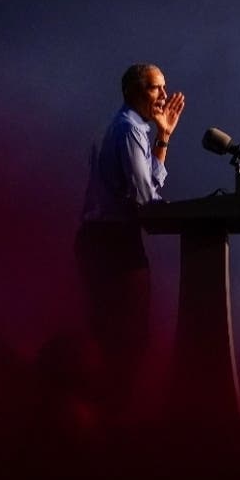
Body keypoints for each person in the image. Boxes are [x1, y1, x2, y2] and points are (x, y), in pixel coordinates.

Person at [71, 63, 185, 425]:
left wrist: (163, 138)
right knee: (126, 342)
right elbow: (144, 198)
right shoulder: (128, 130)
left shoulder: (129, 127)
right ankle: (110, 426)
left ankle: (105, 422)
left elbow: (147, 184)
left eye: (164, 88)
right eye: (156, 89)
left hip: (103, 242)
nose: (164, 97)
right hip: (113, 245)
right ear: (135, 92)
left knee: (115, 340)